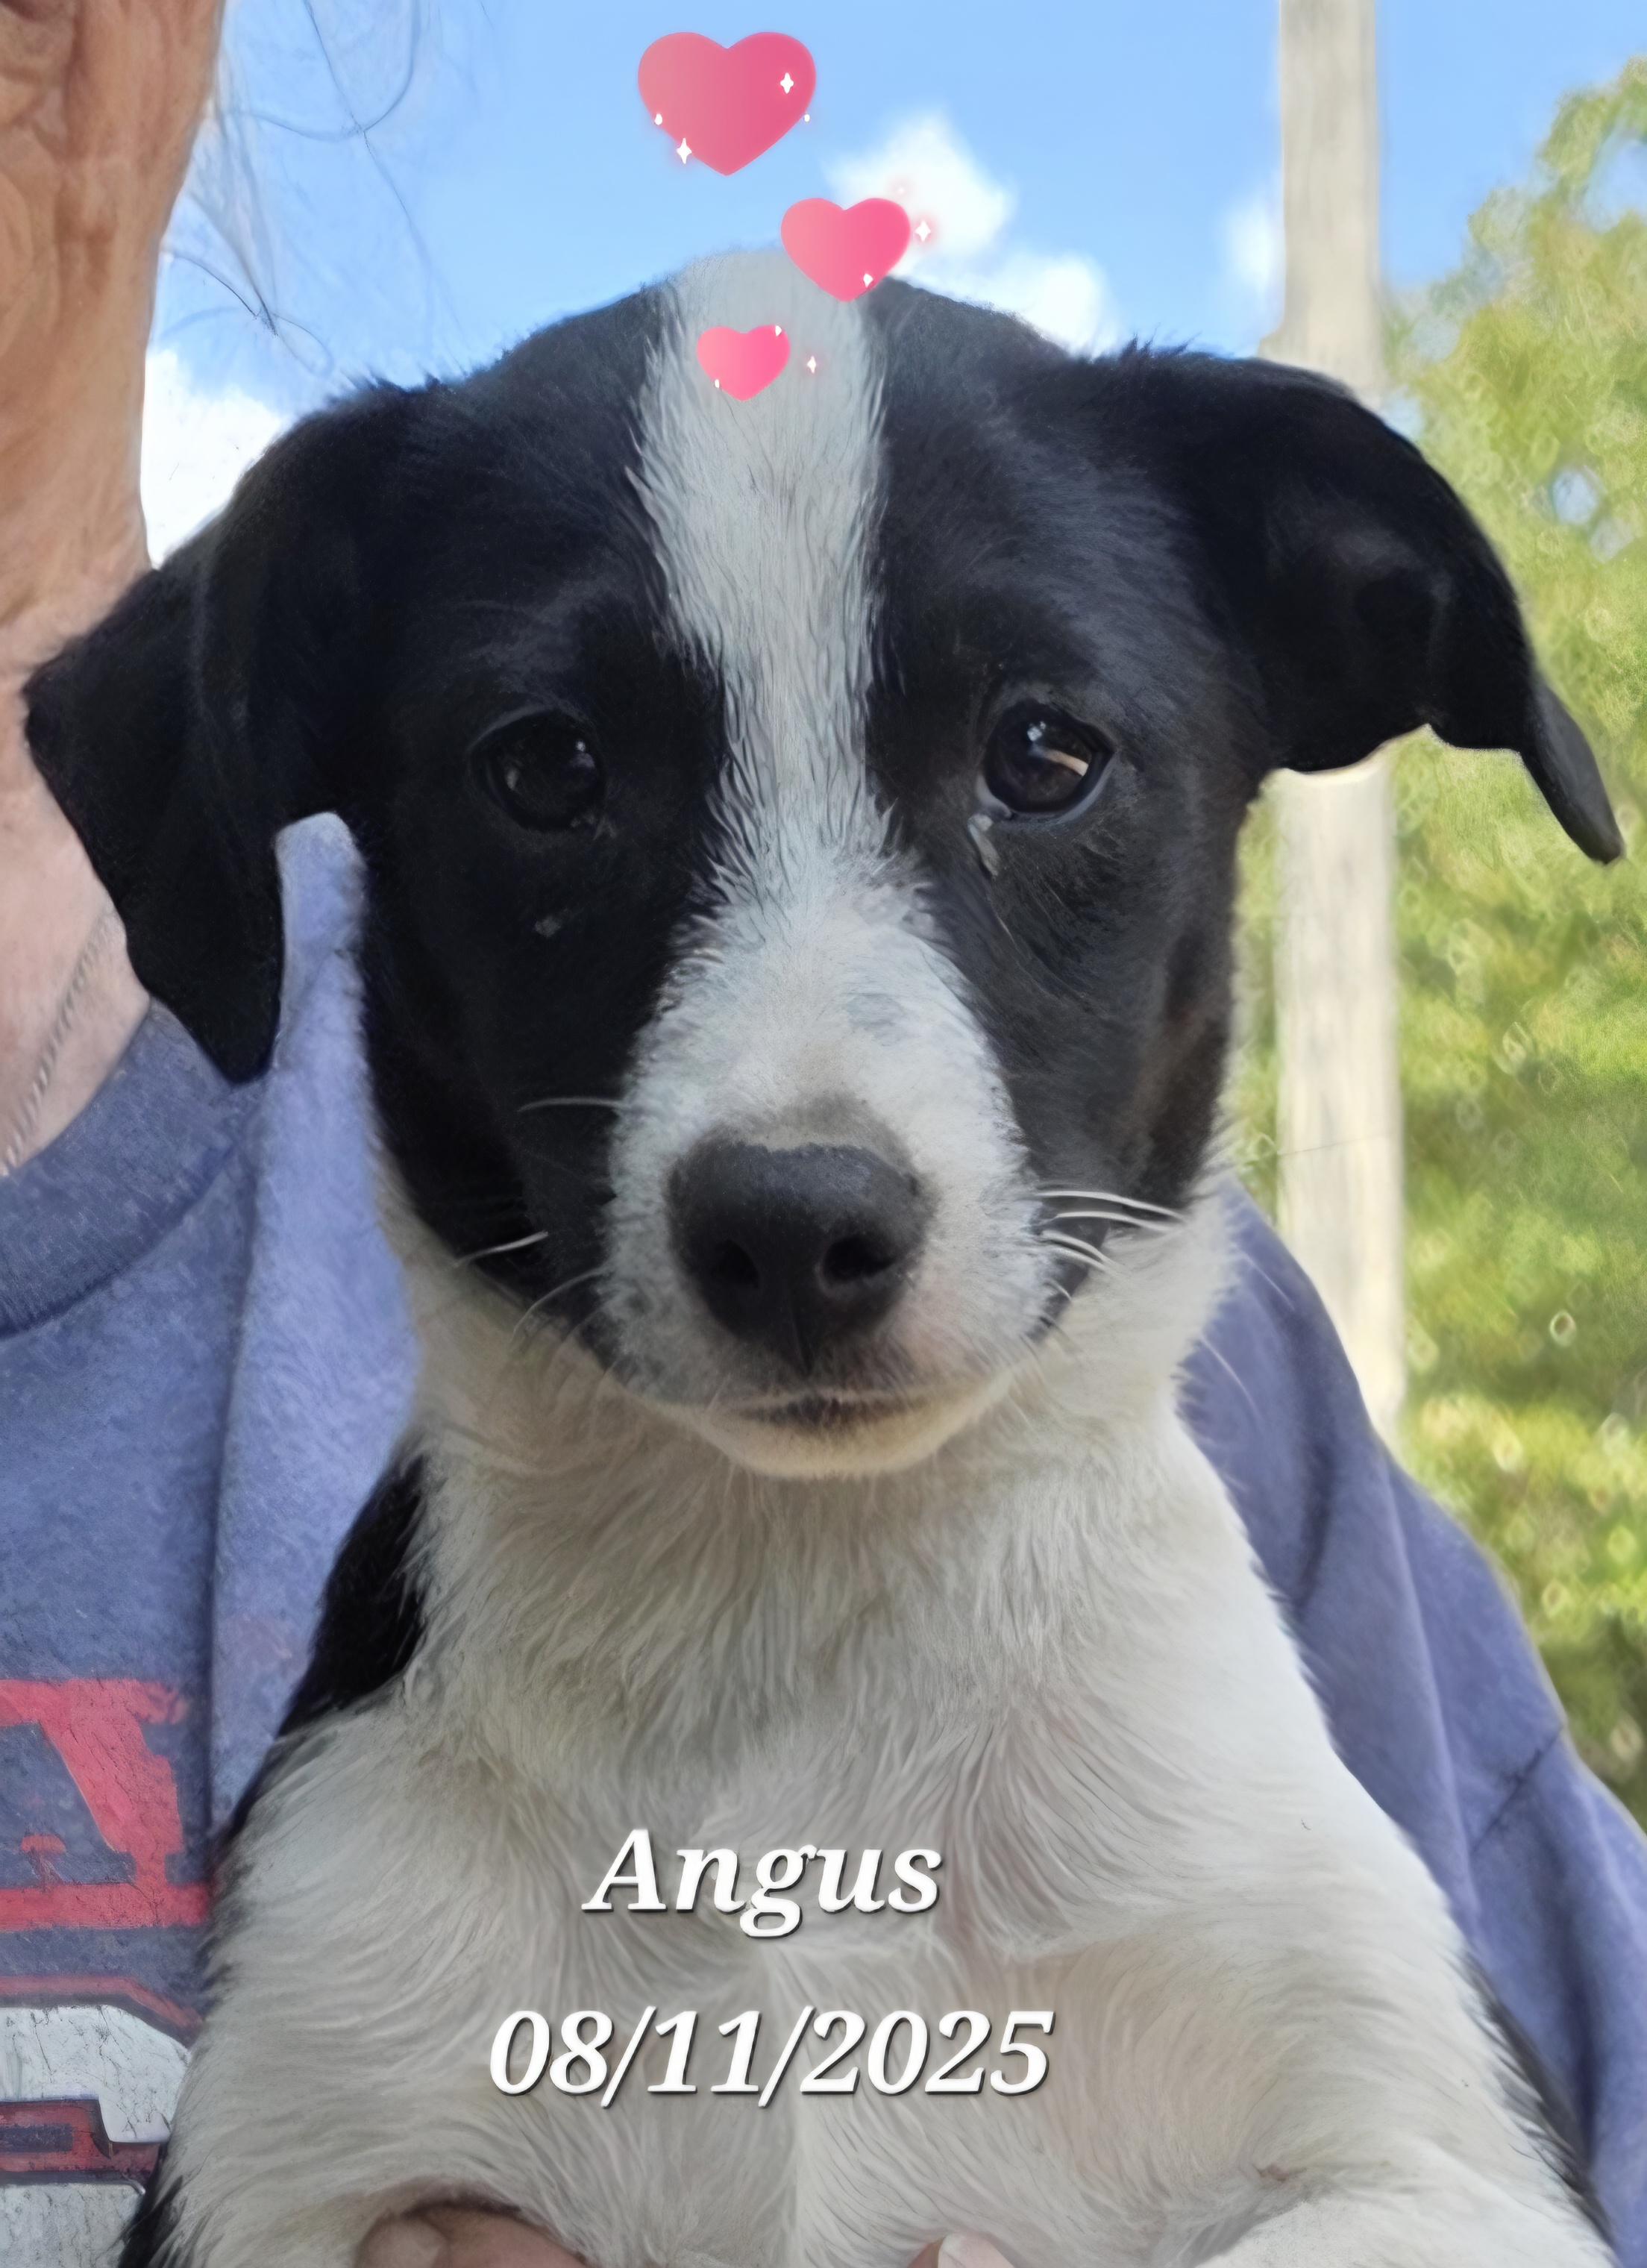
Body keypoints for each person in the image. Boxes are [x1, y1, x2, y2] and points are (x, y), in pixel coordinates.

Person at [0, 9, 1643, 2268]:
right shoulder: (384, 1919)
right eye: (555, 774)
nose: (800, 1119)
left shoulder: (1245, 1761)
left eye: (1042, 757)